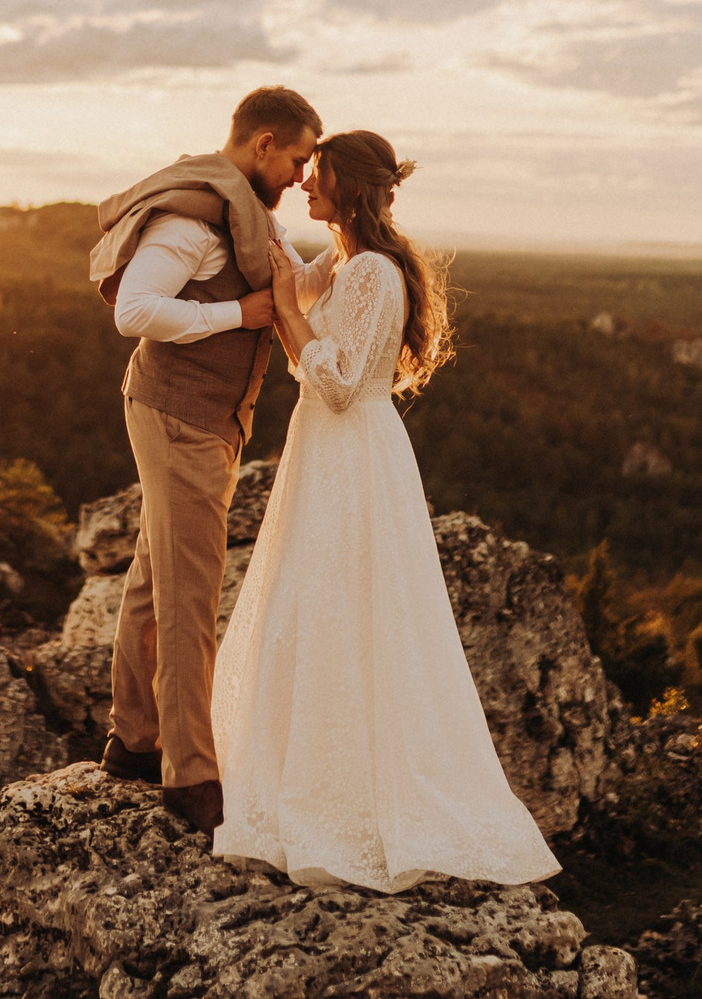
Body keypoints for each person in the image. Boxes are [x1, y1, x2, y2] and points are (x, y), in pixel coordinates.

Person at [209, 129, 559, 891]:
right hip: (326, 453)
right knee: (312, 606)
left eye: (318, 176)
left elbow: (336, 383)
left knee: (348, 610)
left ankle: (356, 802)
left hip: (352, 451)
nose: (306, 185)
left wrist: (288, 323)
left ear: (350, 186)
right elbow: (297, 282)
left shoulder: (372, 271)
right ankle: (307, 772)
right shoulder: (343, 260)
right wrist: (260, 226)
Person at [86, 86, 323, 836]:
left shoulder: (247, 216)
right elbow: (135, 311)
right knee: (191, 590)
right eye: (296, 157)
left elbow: (293, 288)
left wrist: (358, 248)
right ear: (262, 145)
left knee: (159, 574)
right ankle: (190, 774)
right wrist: (235, 314)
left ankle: (133, 736)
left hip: (202, 417)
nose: (298, 174)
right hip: (176, 414)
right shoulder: (196, 218)